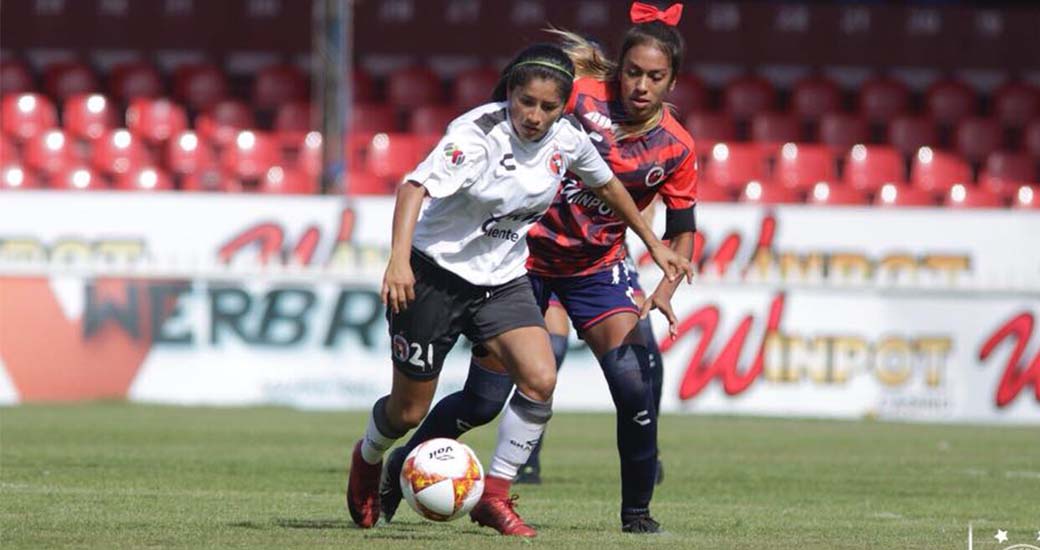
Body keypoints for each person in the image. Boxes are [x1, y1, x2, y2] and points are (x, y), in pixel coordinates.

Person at [345, 42, 693, 538]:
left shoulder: (567, 138)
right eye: (526, 102)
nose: (534, 115)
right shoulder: (477, 135)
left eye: (548, 107)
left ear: (562, 107)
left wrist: (653, 242)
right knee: (408, 411)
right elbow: (412, 188)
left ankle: (495, 497)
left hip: (503, 281)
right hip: (435, 276)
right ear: (511, 92)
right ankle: (368, 458)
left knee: (539, 378)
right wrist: (399, 260)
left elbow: (607, 184)